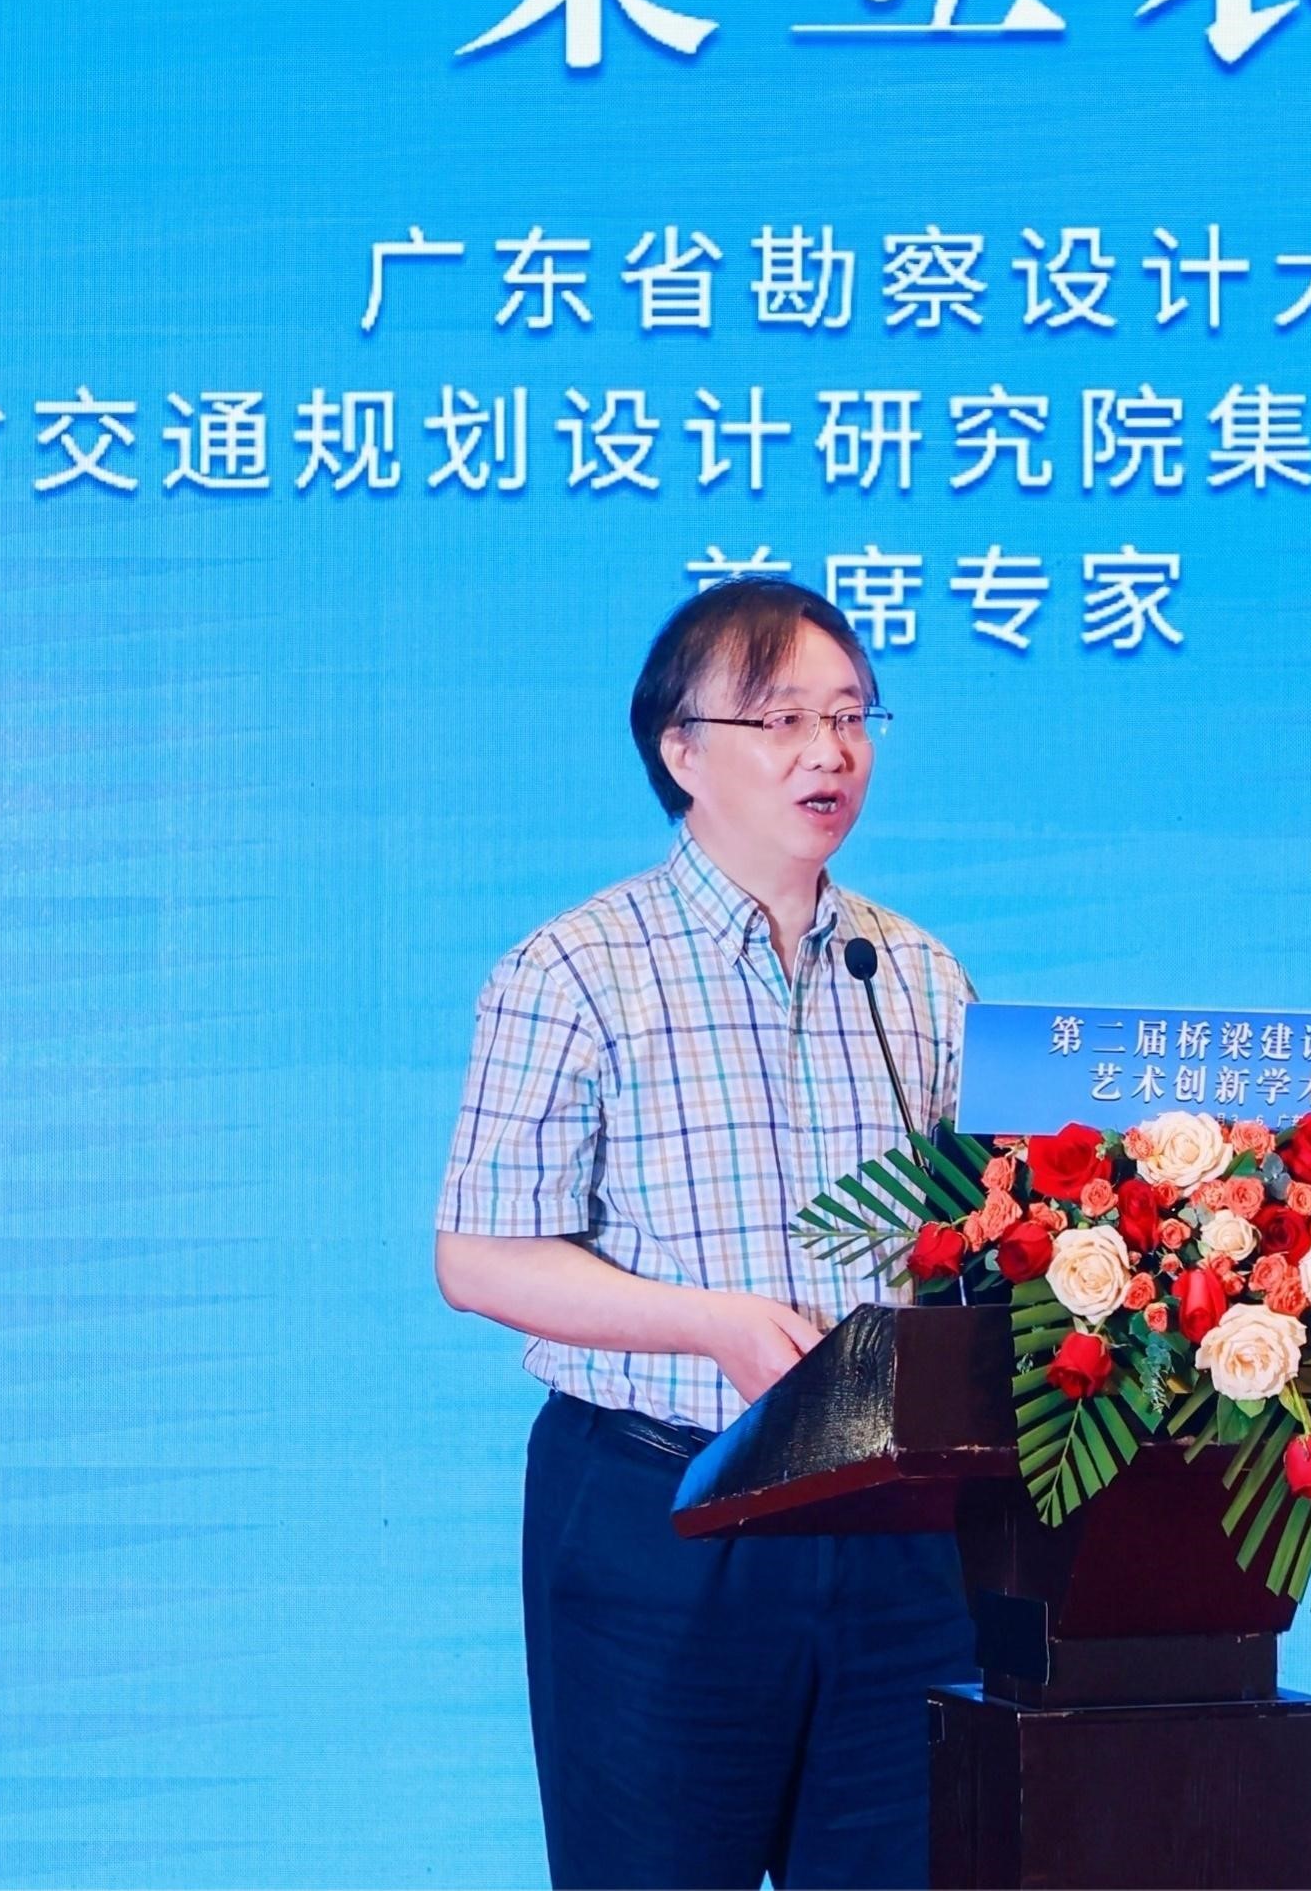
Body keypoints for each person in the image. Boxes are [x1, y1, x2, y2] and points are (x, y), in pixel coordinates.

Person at [434, 578, 978, 1891]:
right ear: (681, 752)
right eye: (782, 719)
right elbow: (480, 1256)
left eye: (849, 717)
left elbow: (976, 1247)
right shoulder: (575, 970)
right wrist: (706, 1325)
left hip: (899, 1531)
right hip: (663, 1516)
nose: (829, 753)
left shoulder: (917, 975)